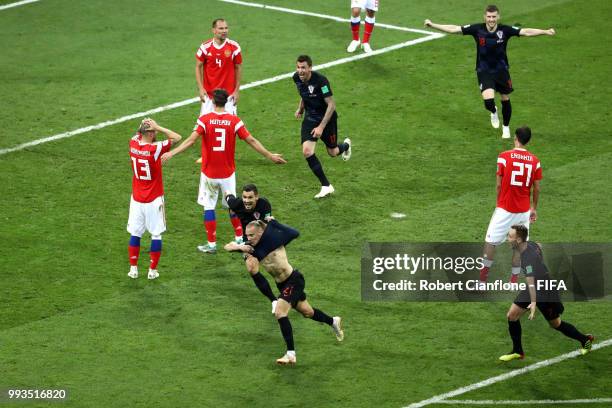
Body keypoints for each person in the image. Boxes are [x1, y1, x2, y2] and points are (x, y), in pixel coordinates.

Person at [161, 89, 286, 254]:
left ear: (212, 101)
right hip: (228, 173)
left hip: (209, 174)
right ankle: (240, 238)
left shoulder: (204, 120)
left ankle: (211, 244)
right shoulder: (234, 121)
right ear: (227, 101)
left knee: (208, 207)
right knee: (233, 206)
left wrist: (171, 153)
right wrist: (270, 155)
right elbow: (251, 140)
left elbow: (191, 141)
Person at [424, 5, 556, 138]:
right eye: (489, 17)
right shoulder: (477, 29)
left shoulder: (505, 30)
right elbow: (454, 29)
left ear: (498, 17)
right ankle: (493, 111)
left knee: (505, 98)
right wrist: (433, 24)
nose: (491, 19)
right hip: (484, 70)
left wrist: (545, 31)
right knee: (488, 102)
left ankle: (505, 127)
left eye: (493, 17)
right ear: (484, 17)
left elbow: (526, 32)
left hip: (501, 71)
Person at [225, 219, 344, 365]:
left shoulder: (273, 238)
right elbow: (227, 246)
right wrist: (239, 247)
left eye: (251, 235)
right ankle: (333, 321)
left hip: (294, 279)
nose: (248, 239)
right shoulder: (250, 246)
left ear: (261, 232)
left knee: (280, 313)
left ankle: (290, 354)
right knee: (308, 312)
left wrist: (275, 223)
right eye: (247, 235)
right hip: (282, 285)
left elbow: (295, 233)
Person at [499, 224, 594, 361]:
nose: (507, 238)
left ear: (518, 240)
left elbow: (531, 281)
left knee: (556, 324)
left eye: (510, 236)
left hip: (545, 291)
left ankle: (585, 340)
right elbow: (539, 245)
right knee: (512, 315)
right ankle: (518, 351)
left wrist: (532, 304)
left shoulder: (527, 258)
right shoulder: (530, 244)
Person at [479, 126, 541, 283]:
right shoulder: (535, 161)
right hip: (523, 211)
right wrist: (534, 208)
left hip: (505, 208)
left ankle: (481, 282)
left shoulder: (503, 157)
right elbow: (537, 188)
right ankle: (513, 282)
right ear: (528, 141)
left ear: (515, 138)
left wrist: (498, 202)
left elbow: (499, 185)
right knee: (519, 245)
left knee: (490, 242)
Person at [127, 118, 182, 280]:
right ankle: (152, 270)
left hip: (136, 199)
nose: (156, 133)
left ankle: (133, 269)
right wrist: (158, 127)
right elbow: (177, 137)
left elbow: (138, 134)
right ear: (150, 133)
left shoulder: (133, 143)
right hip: (153, 199)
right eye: (154, 131)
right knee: (156, 234)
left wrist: (145, 126)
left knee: (135, 234)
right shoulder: (155, 148)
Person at [293, 55, 352, 199]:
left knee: (332, 152)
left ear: (310, 68)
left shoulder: (321, 81)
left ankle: (345, 145)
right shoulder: (296, 78)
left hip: (327, 118)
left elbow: (331, 105)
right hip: (310, 118)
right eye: (298, 67)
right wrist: (300, 108)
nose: (300, 71)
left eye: (303, 68)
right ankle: (326, 186)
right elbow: (304, 93)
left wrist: (321, 127)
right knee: (307, 151)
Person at [224, 184, 277, 313]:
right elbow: (228, 197)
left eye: (250, 197)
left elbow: (267, 224)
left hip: (265, 239)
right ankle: (274, 301)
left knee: (277, 270)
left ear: (256, 197)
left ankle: (290, 293)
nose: (247, 200)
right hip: (248, 241)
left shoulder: (264, 205)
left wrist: (269, 221)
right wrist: (227, 194)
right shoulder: (237, 204)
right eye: (244, 197)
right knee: (252, 268)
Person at [195, 18, 242, 116]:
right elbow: (198, 67)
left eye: (226, 28)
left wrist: (237, 91)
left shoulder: (234, 47)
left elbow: (238, 68)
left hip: (228, 97)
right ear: (214, 30)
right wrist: (200, 88)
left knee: (230, 129)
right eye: (221, 28)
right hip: (209, 96)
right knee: (204, 129)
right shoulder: (205, 47)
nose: (224, 31)